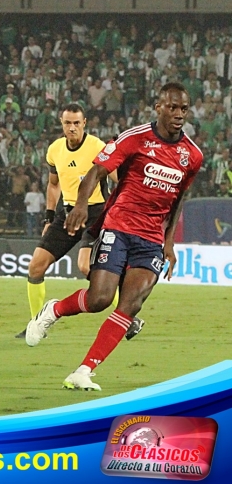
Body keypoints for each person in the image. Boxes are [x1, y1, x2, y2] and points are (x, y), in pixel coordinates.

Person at [25, 83, 203, 391]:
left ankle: (84, 370)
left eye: (183, 109)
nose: (178, 115)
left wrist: (169, 241)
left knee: (131, 303)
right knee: (100, 300)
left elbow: (178, 200)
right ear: (158, 107)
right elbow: (96, 172)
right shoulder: (134, 138)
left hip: (150, 239)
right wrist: (80, 205)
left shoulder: (192, 155)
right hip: (118, 226)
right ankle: (54, 309)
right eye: (172, 108)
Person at [17, 103, 146, 339]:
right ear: (61, 124)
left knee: (86, 266)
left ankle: (127, 318)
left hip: (96, 214)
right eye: (68, 123)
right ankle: (37, 324)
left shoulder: (97, 146)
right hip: (66, 214)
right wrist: (49, 216)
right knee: (35, 266)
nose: (72, 128)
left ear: (84, 123)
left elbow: (119, 178)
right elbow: (54, 184)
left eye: (77, 123)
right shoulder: (55, 150)